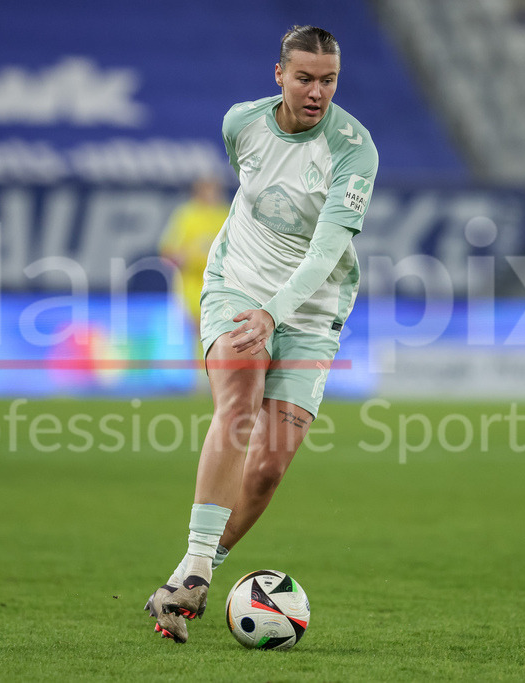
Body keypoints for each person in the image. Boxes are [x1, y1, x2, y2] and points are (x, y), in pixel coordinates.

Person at [145, 25, 378, 643]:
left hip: (311, 310)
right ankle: (197, 568)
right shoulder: (241, 124)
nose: (317, 91)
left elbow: (329, 249)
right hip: (236, 287)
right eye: (304, 77)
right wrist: (257, 306)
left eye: (328, 80)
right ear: (279, 74)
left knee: (269, 468)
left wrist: (278, 311)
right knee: (239, 401)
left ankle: (188, 574)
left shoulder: (355, 151)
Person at [158, 175, 232, 340]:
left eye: (215, 189)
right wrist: (183, 258)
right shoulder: (186, 215)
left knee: (221, 334)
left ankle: (211, 365)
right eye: (207, 188)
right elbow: (167, 253)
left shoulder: (227, 214)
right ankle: (203, 365)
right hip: (192, 288)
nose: (212, 193)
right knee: (202, 332)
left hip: (222, 286)